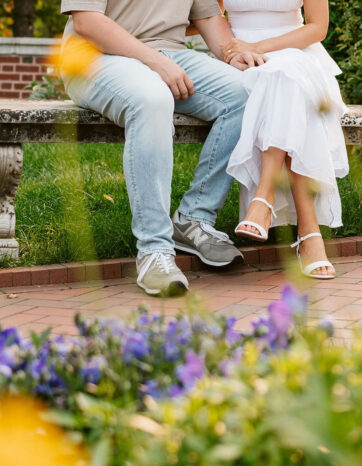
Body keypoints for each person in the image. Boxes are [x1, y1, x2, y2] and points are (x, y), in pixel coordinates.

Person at [59, 0, 266, 297]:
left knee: (247, 93)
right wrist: (154, 61)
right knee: (153, 99)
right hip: (95, 57)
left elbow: (209, 17)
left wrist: (232, 55)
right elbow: (88, 22)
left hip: (171, 55)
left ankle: (194, 219)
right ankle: (154, 251)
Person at [223, 0, 349, 279]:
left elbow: (317, 27)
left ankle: (262, 200)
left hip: (297, 55)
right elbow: (200, 14)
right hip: (241, 62)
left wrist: (258, 47)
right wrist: (229, 48)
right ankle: (309, 233)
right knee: (286, 89)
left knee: (287, 80)